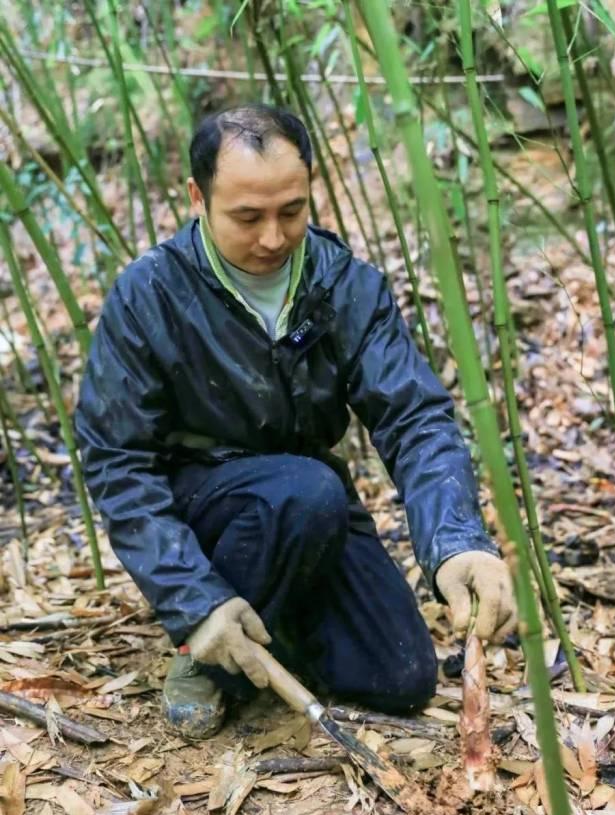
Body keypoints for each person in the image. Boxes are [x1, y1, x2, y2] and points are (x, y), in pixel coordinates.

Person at [75, 103, 517, 740]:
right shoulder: (150, 295)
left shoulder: (345, 285)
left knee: (401, 676)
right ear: (198, 196)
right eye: (247, 217)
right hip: (205, 502)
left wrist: (456, 543)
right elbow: (117, 461)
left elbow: (414, 416)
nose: (274, 238)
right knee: (305, 492)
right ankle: (202, 652)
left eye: (293, 210)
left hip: (310, 499)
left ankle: (269, 620)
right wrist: (193, 601)